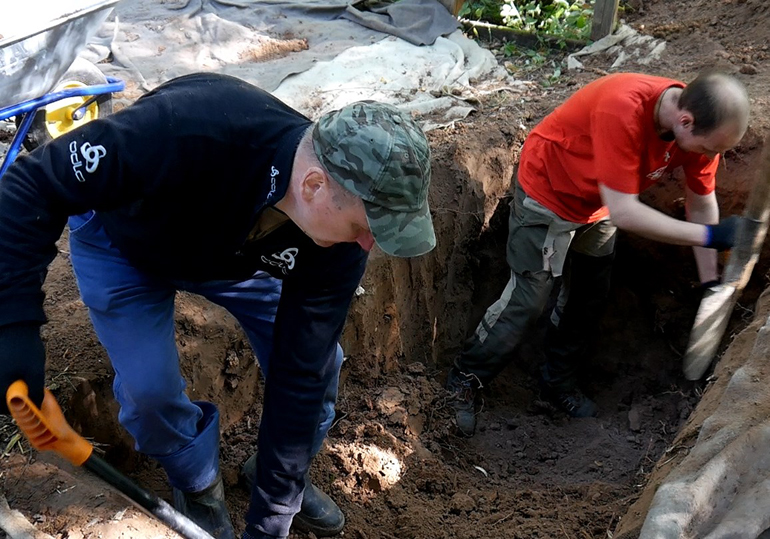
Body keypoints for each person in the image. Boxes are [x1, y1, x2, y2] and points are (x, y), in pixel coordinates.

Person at [0, 72, 435, 539]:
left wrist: (271, 520)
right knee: (150, 394)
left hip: (236, 257)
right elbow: (30, 187)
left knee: (323, 366)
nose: (370, 244)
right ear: (312, 186)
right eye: (363, 226)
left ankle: (274, 477)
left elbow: (300, 371)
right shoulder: (184, 130)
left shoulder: (339, 239)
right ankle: (198, 486)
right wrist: (13, 330)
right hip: (124, 244)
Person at [447, 71, 750, 436]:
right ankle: (463, 382)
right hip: (550, 194)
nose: (709, 157)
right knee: (528, 300)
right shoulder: (622, 109)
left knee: (590, 292)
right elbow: (626, 212)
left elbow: (701, 202)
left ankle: (557, 382)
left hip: (598, 205)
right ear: (685, 121)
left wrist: (710, 281)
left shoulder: (700, 126)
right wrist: (711, 235)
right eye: (707, 149)